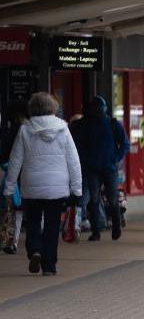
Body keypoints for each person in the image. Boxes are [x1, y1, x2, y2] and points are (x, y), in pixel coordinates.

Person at [3, 92, 82, 276]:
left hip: (31, 185)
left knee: (33, 221)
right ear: (53, 107)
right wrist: (76, 189)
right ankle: (49, 266)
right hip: (57, 187)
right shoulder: (63, 129)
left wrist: (8, 188)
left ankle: (35, 251)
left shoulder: (25, 130)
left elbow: (15, 161)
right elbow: (73, 161)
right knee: (52, 225)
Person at [71, 97, 127, 241]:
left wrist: (115, 159)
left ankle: (115, 225)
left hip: (108, 168)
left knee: (111, 199)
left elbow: (124, 144)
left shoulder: (113, 124)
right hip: (94, 168)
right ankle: (96, 231)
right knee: (95, 200)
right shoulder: (87, 124)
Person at [1, 100, 28, 254]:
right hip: (29, 175)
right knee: (34, 211)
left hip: (12, 174)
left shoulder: (10, 132)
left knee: (14, 211)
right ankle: (38, 242)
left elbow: (4, 155)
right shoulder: (30, 130)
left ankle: (13, 241)